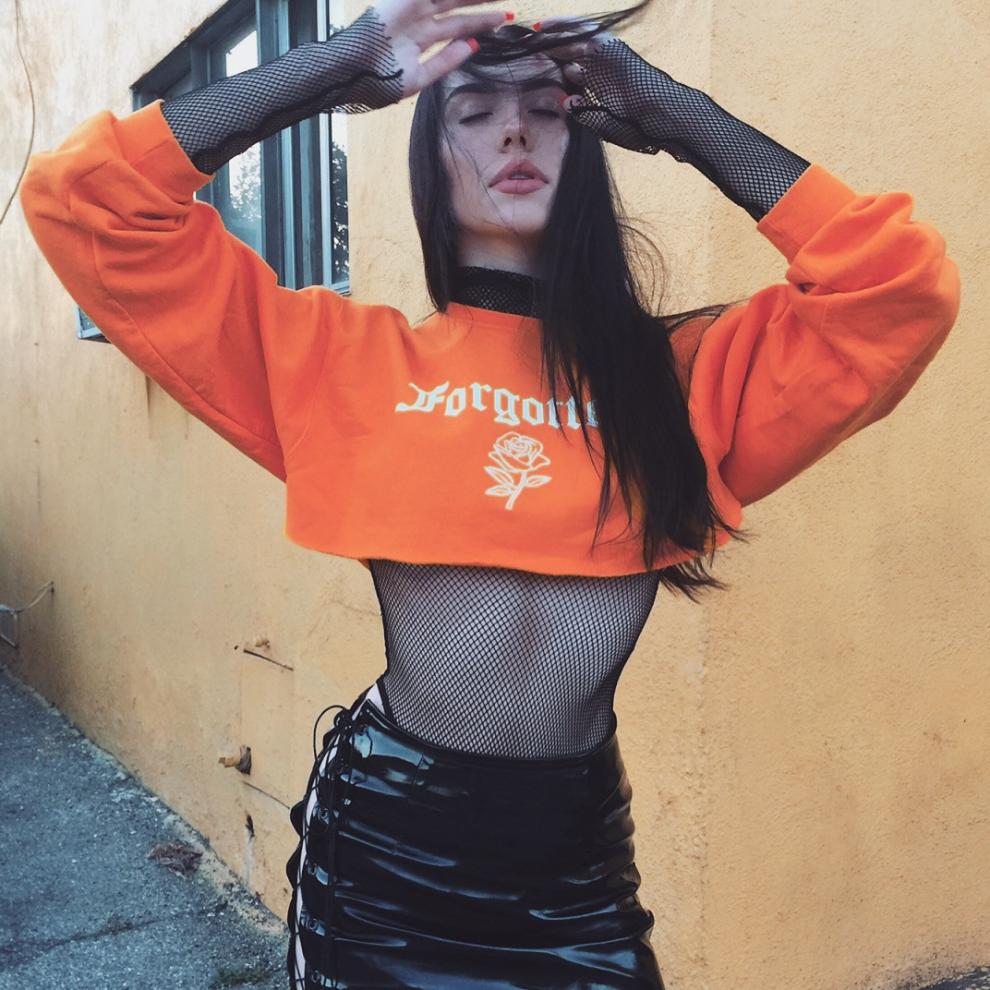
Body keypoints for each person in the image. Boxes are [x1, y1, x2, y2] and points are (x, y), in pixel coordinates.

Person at [18, 0, 960, 985]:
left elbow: (900, 288)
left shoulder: (680, 382)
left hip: (577, 878)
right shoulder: (341, 364)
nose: (513, 129)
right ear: (429, 165)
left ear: (589, 144)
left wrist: (674, 112)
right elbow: (86, 198)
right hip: (384, 862)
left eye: (546, 109)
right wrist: (338, 63)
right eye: (472, 111)